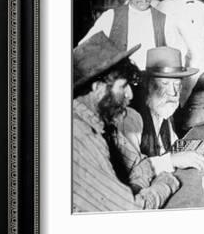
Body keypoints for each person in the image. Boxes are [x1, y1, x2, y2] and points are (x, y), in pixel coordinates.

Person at [72, 33, 180, 212]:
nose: (130, 95)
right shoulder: (79, 134)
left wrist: (131, 190)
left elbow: (141, 164)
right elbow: (131, 211)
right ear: (98, 89)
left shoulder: (102, 124)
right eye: (123, 86)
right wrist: (166, 183)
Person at [120, 47, 204, 174]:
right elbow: (132, 170)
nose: (173, 92)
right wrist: (171, 161)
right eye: (165, 84)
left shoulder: (164, 109)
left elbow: (173, 147)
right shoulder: (131, 118)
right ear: (148, 84)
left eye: (177, 85)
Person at [78, 0, 184, 70]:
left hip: (153, 82)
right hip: (121, 84)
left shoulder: (165, 20)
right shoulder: (110, 17)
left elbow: (181, 52)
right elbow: (84, 50)